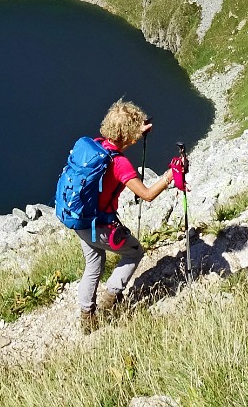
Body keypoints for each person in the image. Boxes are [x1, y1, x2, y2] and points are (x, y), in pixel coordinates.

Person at [75, 98, 174, 333]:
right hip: (100, 224)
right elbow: (147, 195)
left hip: (80, 220)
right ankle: (111, 298)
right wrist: (170, 176)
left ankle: (87, 318)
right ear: (127, 135)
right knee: (134, 252)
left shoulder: (96, 146)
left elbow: (122, 140)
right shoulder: (120, 164)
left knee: (93, 265)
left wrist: (136, 130)